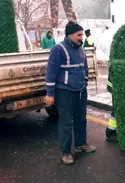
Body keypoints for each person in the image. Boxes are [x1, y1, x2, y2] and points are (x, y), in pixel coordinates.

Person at [44, 21, 96, 165]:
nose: (82, 37)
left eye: (82, 34)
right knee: (66, 122)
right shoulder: (58, 49)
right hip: (65, 92)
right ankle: (66, 152)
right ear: (70, 35)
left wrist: (84, 83)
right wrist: (50, 94)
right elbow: (51, 73)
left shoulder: (81, 49)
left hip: (80, 90)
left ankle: (80, 145)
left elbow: (84, 68)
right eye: (79, 35)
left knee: (81, 119)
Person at [105, 73, 117, 141]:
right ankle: (110, 132)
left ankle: (111, 131)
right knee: (116, 110)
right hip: (115, 87)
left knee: (116, 110)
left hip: (114, 86)